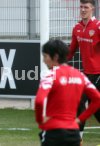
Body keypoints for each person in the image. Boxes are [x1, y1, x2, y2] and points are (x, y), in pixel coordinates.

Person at [35, 40, 100, 146]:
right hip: (73, 133)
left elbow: (39, 101)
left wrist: (40, 120)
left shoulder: (50, 75)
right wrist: (80, 119)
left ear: (55, 57)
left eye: (45, 56)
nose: (44, 60)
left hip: (53, 131)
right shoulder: (80, 75)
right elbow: (97, 99)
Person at [68, 0, 100, 139]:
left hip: (99, 73)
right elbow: (71, 51)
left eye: (85, 7)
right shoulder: (77, 28)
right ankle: (79, 138)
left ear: (92, 8)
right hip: (87, 73)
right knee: (83, 103)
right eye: (81, 7)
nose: (82, 10)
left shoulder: (98, 27)